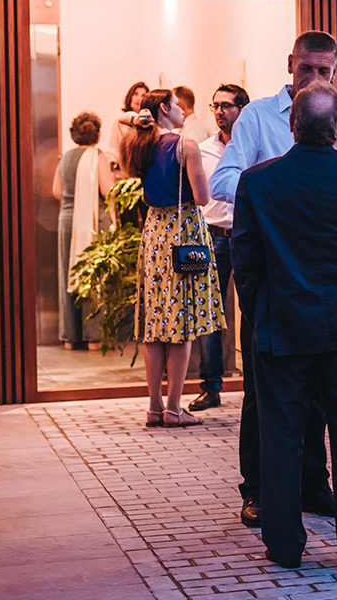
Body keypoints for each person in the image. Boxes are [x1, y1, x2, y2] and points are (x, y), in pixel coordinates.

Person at [232, 83, 337, 571]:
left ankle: (284, 546)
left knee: (280, 437)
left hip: (282, 325)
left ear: (292, 124)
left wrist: (260, 313)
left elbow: (245, 262)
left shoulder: (257, 182)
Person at [210, 31, 337, 525]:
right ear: (290, 63)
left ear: (335, 71)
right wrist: (281, 185)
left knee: (318, 389)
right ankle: (257, 490)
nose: (313, 78)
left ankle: (313, 484)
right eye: (305, 68)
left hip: (322, 273)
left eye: (324, 71)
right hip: (271, 271)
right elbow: (222, 181)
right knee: (262, 390)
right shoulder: (255, 116)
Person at [121, 89, 223, 429]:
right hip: (184, 230)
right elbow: (202, 197)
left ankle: (154, 407)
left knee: (154, 323)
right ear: (165, 108)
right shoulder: (185, 145)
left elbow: (121, 122)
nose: (182, 111)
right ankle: (175, 408)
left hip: (154, 233)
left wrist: (138, 120)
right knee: (182, 321)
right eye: (177, 105)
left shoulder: (139, 144)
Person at [187, 84, 250, 414]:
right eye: (215, 105)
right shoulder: (203, 149)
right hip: (213, 236)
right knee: (210, 311)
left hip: (248, 234)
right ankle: (210, 387)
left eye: (226, 105)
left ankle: (254, 385)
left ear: (242, 109)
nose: (219, 112)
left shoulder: (251, 145)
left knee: (252, 309)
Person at [52, 111, 115, 349]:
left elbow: (56, 191)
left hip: (66, 221)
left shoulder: (65, 158)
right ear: (96, 135)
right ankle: (93, 336)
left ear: (74, 134)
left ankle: (70, 336)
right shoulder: (97, 156)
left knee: (68, 274)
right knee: (94, 275)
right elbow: (108, 190)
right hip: (92, 220)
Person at [108, 81, 149, 165]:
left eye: (143, 96)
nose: (138, 98)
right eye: (135, 94)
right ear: (130, 96)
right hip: (122, 167)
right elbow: (112, 150)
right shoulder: (120, 121)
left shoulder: (148, 122)